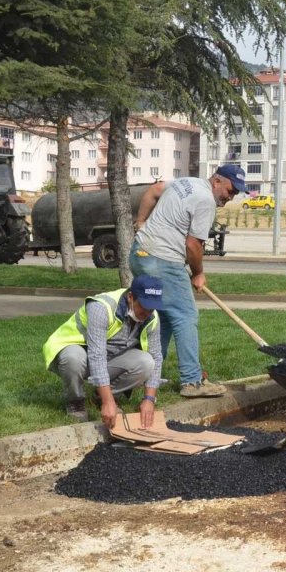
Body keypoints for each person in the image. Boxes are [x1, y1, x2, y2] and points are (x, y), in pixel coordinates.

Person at [130, 165, 246, 398]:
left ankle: (149, 374)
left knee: (164, 317)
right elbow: (193, 245)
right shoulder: (206, 200)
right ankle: (192, 381)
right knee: (186, 315)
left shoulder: (186, 182)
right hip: (163, 260)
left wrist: (141, 221)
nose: (230, 197)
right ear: (217, 182)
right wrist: (198, 273)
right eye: (230, 190)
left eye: (235, 194)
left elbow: (154, 190)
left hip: (140, 254)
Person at [42, 275, 165, 428]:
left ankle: (101, 396)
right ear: (131, 297)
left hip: (111, 356)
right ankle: (76, 402)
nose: (147, 312)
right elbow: (96, 355)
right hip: (79, 353)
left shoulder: (152, 317)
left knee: (147, 362)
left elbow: (156, 357)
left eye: (151, 308)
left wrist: (149, 399)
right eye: (144, 306)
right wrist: (109, 403)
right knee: (73, 358)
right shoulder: (101, 307)